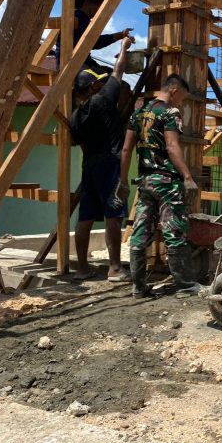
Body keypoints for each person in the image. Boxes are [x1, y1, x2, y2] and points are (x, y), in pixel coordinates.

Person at [119, 74, 204, 297]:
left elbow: (126, 150)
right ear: (173, 91)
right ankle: (185, 285)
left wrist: (123, 181)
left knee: (140, 232)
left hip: (145, 182)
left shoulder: (137, 113)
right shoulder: (170, 113)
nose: (181, 103)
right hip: (167, 182)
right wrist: (187, 177)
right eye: (182, 98)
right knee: (174, 231)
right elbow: (172, 147)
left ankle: (139, 286)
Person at [70, 36, 135, 282]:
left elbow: (80, 143)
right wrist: (124, 47)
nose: (100, 84)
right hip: (110, 164)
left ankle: (82, 269)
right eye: (97, 83)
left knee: (85, 218)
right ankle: (115, 268)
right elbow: (118, 72)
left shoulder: (76, 117)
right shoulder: (102, 99)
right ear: (93, 87)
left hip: (90, 166)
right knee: (113, 216)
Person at [56, 0, 133, 75]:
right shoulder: (80, 18)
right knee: (114, 79)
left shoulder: (78, 17)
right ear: (87, 2)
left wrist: (120, 35)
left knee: (109, 72)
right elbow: (94, 42)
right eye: (98, 4)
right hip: (74, 66)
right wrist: (120, 35)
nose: (99, 9)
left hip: (74, 63)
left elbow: (91, 42)